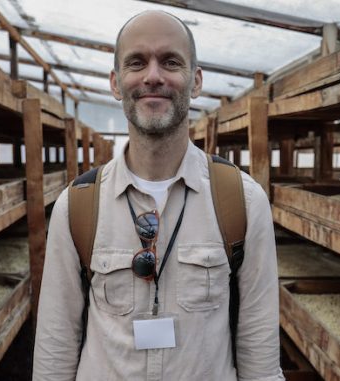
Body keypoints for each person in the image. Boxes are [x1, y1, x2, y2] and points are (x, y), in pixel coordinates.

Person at [33, 10, 284, 381]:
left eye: (170, 62)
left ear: (195, 81)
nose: (153, 76)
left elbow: (259, 355)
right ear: (116, 83)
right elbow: (55, 348)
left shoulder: (242, 201)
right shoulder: (77, 206)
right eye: (137, 62)